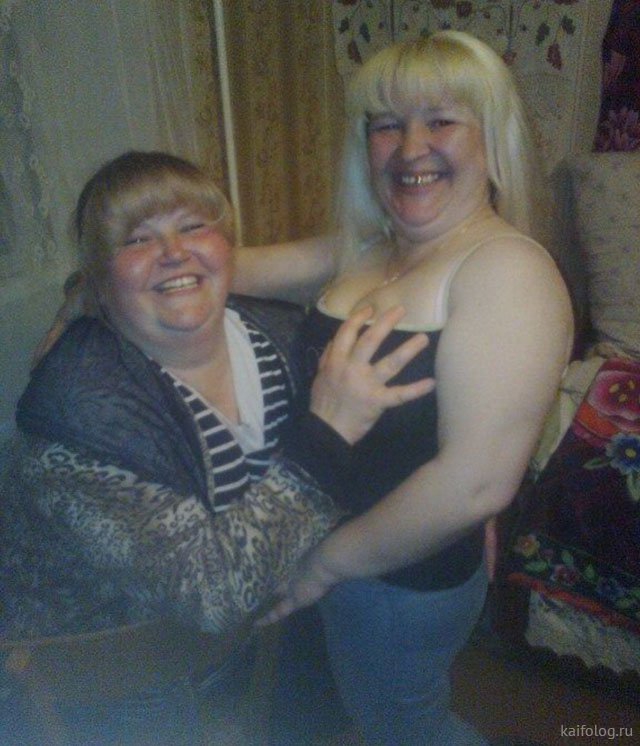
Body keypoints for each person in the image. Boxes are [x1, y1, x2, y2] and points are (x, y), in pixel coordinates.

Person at [0, 151, 434, 744]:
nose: (174, 251)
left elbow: (380, 423)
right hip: (103, 677)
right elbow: (213, 594)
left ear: (229, 249)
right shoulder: (75, 408)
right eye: (137, 239)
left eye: (193, 226)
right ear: (100, 281)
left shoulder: (278, 332)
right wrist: (327, 433)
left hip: (256, 633)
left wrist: (469, 480)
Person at [233, 31, 574, 745]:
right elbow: (227, 269)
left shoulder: (506, 270)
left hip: (393, 577)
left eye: (440, 120)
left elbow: (476, 484)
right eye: (386, 125)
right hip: (340, 552)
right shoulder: (371, 248)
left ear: (491, 138)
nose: (410, 147)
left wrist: (323, 566)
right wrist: (104, 281)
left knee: (407, 728)